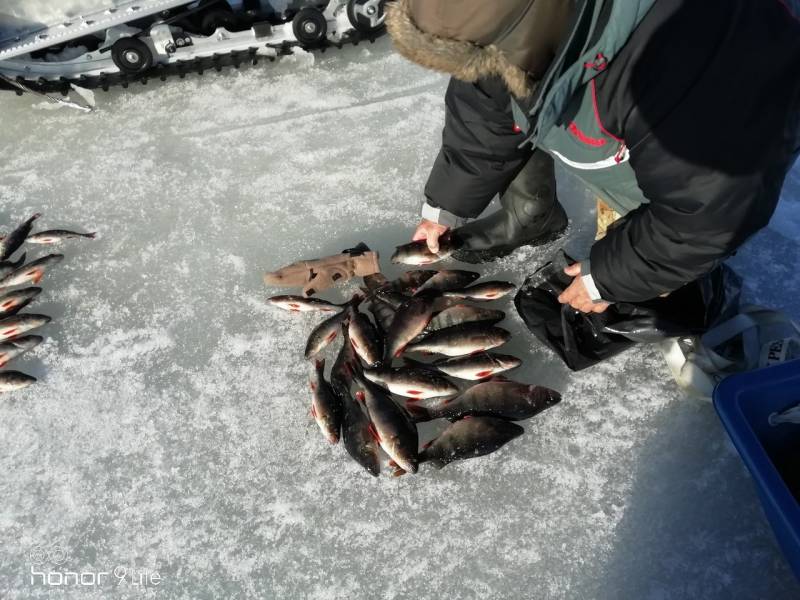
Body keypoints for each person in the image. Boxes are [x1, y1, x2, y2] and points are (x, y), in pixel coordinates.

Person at [385, 0, 800, 314]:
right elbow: (485, 102)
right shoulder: (517, 30)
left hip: (706, 153)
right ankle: (538, 215)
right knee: (531, 102)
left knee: (668, 262)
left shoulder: (676, 77)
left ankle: (686, 292)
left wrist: (609, 277)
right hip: (640, 127)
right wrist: (443, 206)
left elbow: (709, 214)